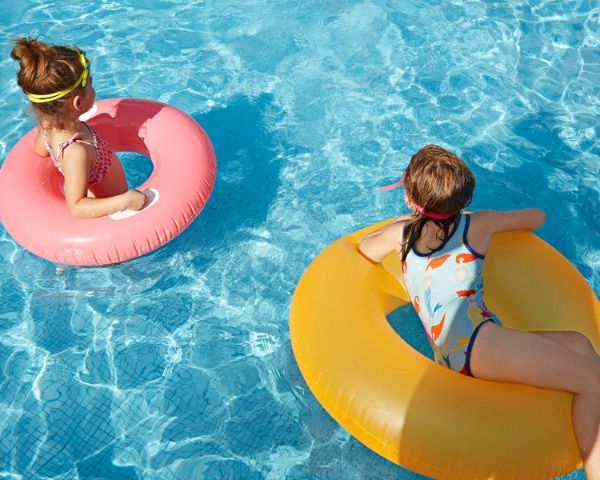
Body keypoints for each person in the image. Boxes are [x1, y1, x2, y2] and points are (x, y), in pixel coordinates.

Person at [359, 144, 600, 478]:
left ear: (409, 197)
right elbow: (536, 217)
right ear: (463, 198)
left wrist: (404, 220)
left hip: (449, 352)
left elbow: (364, 248)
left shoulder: (401, 233)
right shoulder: (478, 226)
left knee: (579, 343)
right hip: (477, 345)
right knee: (594, 379)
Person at [11, 37, 147, 218]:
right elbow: (77, 207)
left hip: (90, 184)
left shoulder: (48, 125)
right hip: (109, 212)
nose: (93, 89)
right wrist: (123, 201)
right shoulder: (77, 151)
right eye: (90, 85)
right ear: (78, 102)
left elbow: (41, 150)